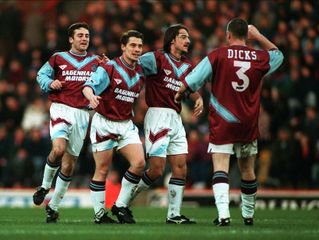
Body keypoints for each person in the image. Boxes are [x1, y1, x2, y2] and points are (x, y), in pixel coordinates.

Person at [175, 18, 284, 226]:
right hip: (248, 123)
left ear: (228, 35)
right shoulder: (259, 57)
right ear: (247, 36)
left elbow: (191, 80)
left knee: (221, 167)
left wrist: (180, 95)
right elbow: (279, 55)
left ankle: (224, 214)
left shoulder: (217, 55)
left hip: (223, 122)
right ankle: (248, 214)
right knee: (248, 170)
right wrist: (259, 36)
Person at [33, 22, 105, 223]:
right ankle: (45, 186)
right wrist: (50, 83)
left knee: (69, 165)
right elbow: (41, 75)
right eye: (80, 35)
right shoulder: (58, 58)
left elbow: (107, 78)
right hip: (61, 108)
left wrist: (108, 65)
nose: (84, 39)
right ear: (71, 39)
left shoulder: (95, 61)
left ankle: (53, 207)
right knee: (58, 149)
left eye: (87, 35)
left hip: (82, 114)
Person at [132, 24, 203, 224]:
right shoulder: (156, 58)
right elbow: (132, 62)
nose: (188, 40)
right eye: (183, 37)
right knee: (156, 169)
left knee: (181, 167)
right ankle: (124, 201)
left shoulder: (187, 65)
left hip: (176, 118)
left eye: (188, 37)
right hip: (158, 115)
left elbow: (188, 86)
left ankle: (174, 215)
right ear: (172, 40)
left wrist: (198, 98)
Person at [82, 30, 145, 224]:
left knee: (140, 163)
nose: (137, 49)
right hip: (104, 123)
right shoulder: (109, 67)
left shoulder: (141, 71)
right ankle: (100, 215)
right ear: (123, 47)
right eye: (133, 45)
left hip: (126, 124)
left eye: (140, 46)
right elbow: (87, 86)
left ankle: (120, 204)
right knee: (102, 169)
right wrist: (91, 95)